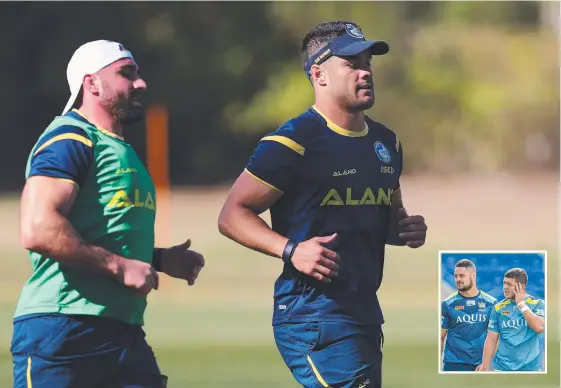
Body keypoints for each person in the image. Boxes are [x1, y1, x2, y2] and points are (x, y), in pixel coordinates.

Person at [218, 21, 427, 388]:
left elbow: (385, 217)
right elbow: (232, 215)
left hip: (363, 313)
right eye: (351, 63)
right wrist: (290, 249)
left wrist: (406, 229)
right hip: (312, 315)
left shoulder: (386, 143)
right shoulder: (292, 142)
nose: (365, 72)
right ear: (319, 74)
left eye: (368, 62)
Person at [11, 40, 205, 388]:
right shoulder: (70, 138)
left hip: (123, 332)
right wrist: (120, 267)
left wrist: (158, 259)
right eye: (126, 73)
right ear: (92, 84)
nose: (140, 83)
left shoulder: (118, 148)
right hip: (64, 328)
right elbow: (39, 228)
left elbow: (97, 233)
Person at [478, 268, 545, 372]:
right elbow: (491, 339)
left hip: (531, 370)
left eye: (509, 284)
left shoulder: (537, 304)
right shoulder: (498, 308)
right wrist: (485, 366)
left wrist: (521, 304)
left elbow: (539, 327)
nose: (505, 287)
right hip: (502, 369)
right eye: (504, 283)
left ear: (521, 286)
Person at [440, 259, 497, 372]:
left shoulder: (491, 303)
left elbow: (495, 337)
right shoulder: (448, 304)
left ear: (473, 276)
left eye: (462, 276)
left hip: (480, 364)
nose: (458, 279)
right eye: (455, 276)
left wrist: (486, 364)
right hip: (454, 363)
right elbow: (440, 336)